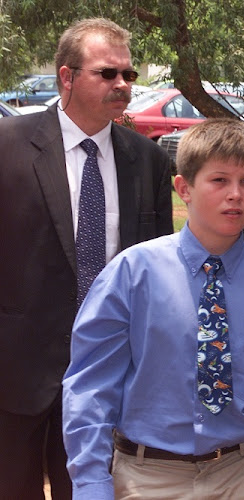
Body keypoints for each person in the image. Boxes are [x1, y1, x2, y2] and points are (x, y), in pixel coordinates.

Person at [62, 118, 244, 499]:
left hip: (240, 475)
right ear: (184, 189)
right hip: (146, 478)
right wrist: (92, 486)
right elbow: (91, 388)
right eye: (219, 180)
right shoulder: (132, 274)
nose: (236, 194)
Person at [0, 18, 172, 499]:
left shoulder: (149, 160)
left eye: (128, 75)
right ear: (66, 77)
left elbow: (155, 272)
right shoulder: (7, 147)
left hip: (108, 374)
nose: (123, 85)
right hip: (15, 375)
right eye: (107, 74)